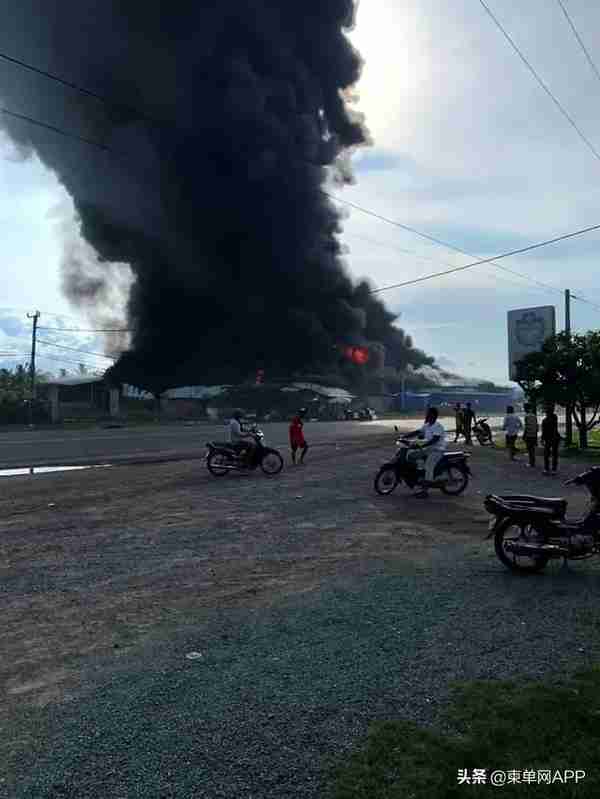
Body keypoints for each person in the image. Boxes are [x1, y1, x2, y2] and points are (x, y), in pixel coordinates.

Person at [405, 406, 447, 498]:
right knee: (411, 455)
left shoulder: (438, 426)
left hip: (437, 450)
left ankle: (425, 491)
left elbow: (434, 440)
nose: (426, 415)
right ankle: (419, 475)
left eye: (428, 413)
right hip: (428, 449)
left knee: (429, 465)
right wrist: (405, 436)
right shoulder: (427, 425)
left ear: (433, 415)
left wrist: (421, 445)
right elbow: (418, 432)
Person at [541, 405, 561, 476]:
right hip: (555, 438)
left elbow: (543, 431)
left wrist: (542, 439)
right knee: (554, 454)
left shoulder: (545, 421)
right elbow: (555, 429)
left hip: (548, 439)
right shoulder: (555, 418)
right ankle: (553, 469)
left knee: (546, 454)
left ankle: (546, 469)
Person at [522, 403, 539, 468]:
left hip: (529, 434)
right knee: (532, 449)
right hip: (534, 434)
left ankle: (531, 463)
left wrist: (524, 435)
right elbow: (536, 426)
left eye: (524, 408)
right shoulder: (534, 416)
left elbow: (527, 427)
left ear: (526, 408)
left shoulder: (526, 416)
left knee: (530, 449)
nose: (524, 409)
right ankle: (532, 462)